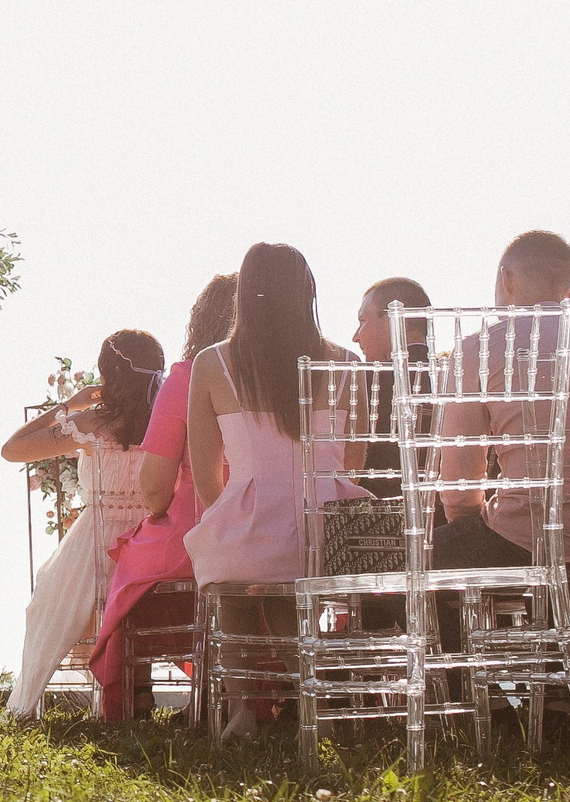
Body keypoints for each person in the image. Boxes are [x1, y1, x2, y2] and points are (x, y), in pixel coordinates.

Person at [434, 232, 570, 569]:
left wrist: (468, 527)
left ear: (507, 279)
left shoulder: (478, 349)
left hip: (523, 544)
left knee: (406, 560)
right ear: (568, 293)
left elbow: (460, 490)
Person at [87, 274, 235, 719]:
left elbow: (154, 485)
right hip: (279, 526)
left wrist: (157, 513)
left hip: (200, 524)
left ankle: (134, 694)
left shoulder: (188, 378)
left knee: (130, 569)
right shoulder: (283, 375)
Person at [2, 330, 166, 720]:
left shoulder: (93, 422)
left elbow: (13, 449)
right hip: (150, 539)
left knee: (48, 604)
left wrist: (68, 404)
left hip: (96, 542)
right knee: (128, 606)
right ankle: (136, 689)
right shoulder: (169, 419)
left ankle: (34, 704)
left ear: (111, 375)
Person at [186, 242, 369, 587]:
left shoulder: (212, 365)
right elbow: (353, 468)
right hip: (332, 539)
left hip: (246, 542)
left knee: (237, 616)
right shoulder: (348, 365)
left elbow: (207, 484)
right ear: (307, 293)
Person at [347, 277, 432, 494]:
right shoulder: (456, 379)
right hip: (444, 516)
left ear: (394, 320)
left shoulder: (362, 383)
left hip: (375, 518)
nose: (356, 337)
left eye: (362, 321)